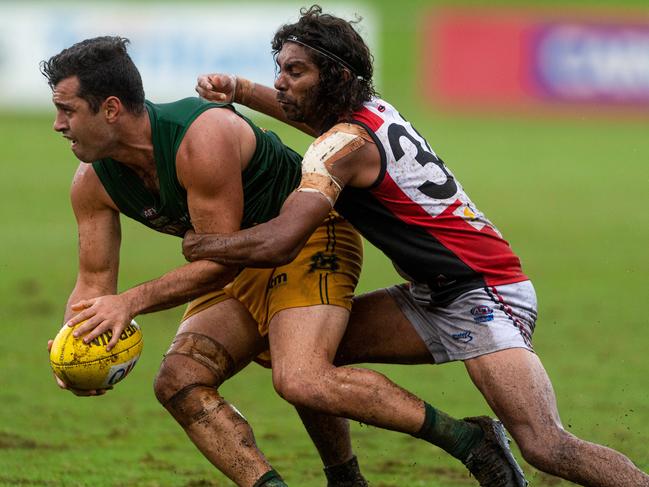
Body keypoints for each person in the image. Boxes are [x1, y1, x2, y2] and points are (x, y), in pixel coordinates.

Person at [187, 5, 649, 487]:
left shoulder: (344, 144)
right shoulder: (366, 112)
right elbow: (315, 125)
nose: (281, 81)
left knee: (545, 444)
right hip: (435, 292)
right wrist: (241, 90)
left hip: (483, 293)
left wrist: (205, 244)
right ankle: (346, 478)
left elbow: (283, 240)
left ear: (335, 76)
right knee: (303, 362)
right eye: (279, 69)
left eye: (295, 71)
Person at [41, 36, 527, 487]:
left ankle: (469, 441)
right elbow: (94, 282)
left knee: (301, 377)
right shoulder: (91, 182)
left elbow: (220, 261)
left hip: (306, 243)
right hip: (235, 262)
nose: (58, 124)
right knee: (179, 382)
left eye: (67, 110)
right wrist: (74, 346)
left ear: (109, 109)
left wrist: (132, 301)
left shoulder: (199, 137)